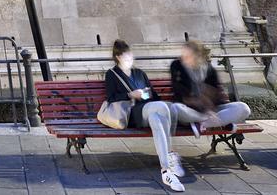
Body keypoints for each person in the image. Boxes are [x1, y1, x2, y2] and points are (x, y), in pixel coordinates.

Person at [106, 39, 185, 192]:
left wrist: (145, 94)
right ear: (118, 58)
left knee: (158, 117)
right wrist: (131, 94)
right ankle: (171, 154)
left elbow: (153, 95)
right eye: (125, 57)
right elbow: (111, 98)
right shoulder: (112, 74)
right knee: (163, 106)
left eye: (130, 56)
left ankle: (166, 171)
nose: (129, 59)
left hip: (149, 109)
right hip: (131, 114)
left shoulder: (139, 73)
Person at [169, 40, 251, 137]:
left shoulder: (209, 69)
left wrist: (211, 109)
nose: (183, 59)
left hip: (211, 110)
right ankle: (219, 122)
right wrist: (205, 109)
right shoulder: (176, 66)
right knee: (175, 108)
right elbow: (182, 94)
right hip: (190, 109)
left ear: (197, 56)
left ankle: (203, 124)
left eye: (188, 56)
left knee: (243, 108)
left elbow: (216, 95)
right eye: (183, 55)